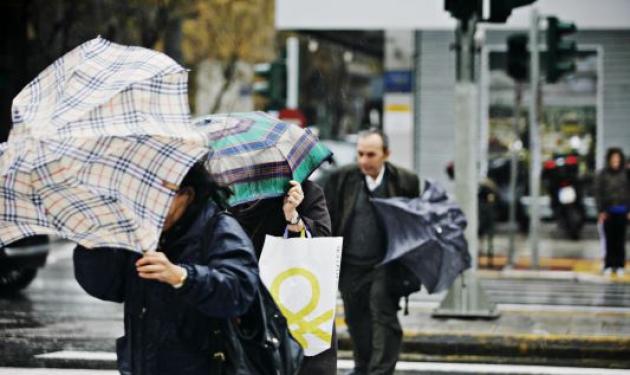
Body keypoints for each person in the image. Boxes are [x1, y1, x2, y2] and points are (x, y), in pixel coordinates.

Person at [73, 163, 259, 375]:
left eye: (158, 195)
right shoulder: (143, 233)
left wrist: (183, 277)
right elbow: (109, 287)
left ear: (186, 194)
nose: (147, 206)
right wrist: (93, 247)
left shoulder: (218, 228)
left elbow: (240, 291)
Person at [323, 128, 420, 375]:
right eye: (360, 154)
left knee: (383, 318)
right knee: (357, 320)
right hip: (350, 265)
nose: (364, 161)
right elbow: (328, 215)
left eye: (371, 155)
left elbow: (414, 222)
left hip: (386, 264)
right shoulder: (342, 179)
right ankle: (362, 366)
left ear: (385, 154)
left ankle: (380, 371)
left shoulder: (404, 181)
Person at [230, 179, 337, 375]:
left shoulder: (304, 191)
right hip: (251, 303)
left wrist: (294, 219)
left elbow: (322, 243)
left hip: (299, 300)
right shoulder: (231, 195)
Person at [595, 148, 630, 276]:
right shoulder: (603, 174)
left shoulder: (626, 173)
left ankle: (620, 265)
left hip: (622, 212)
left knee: (620, 240)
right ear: (609, 160)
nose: (615, 161)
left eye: (617, 158)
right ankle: (609, 264)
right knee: (609, 240)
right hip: (608, 212)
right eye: (613, 158)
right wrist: (600, 211)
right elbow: (598, 193)